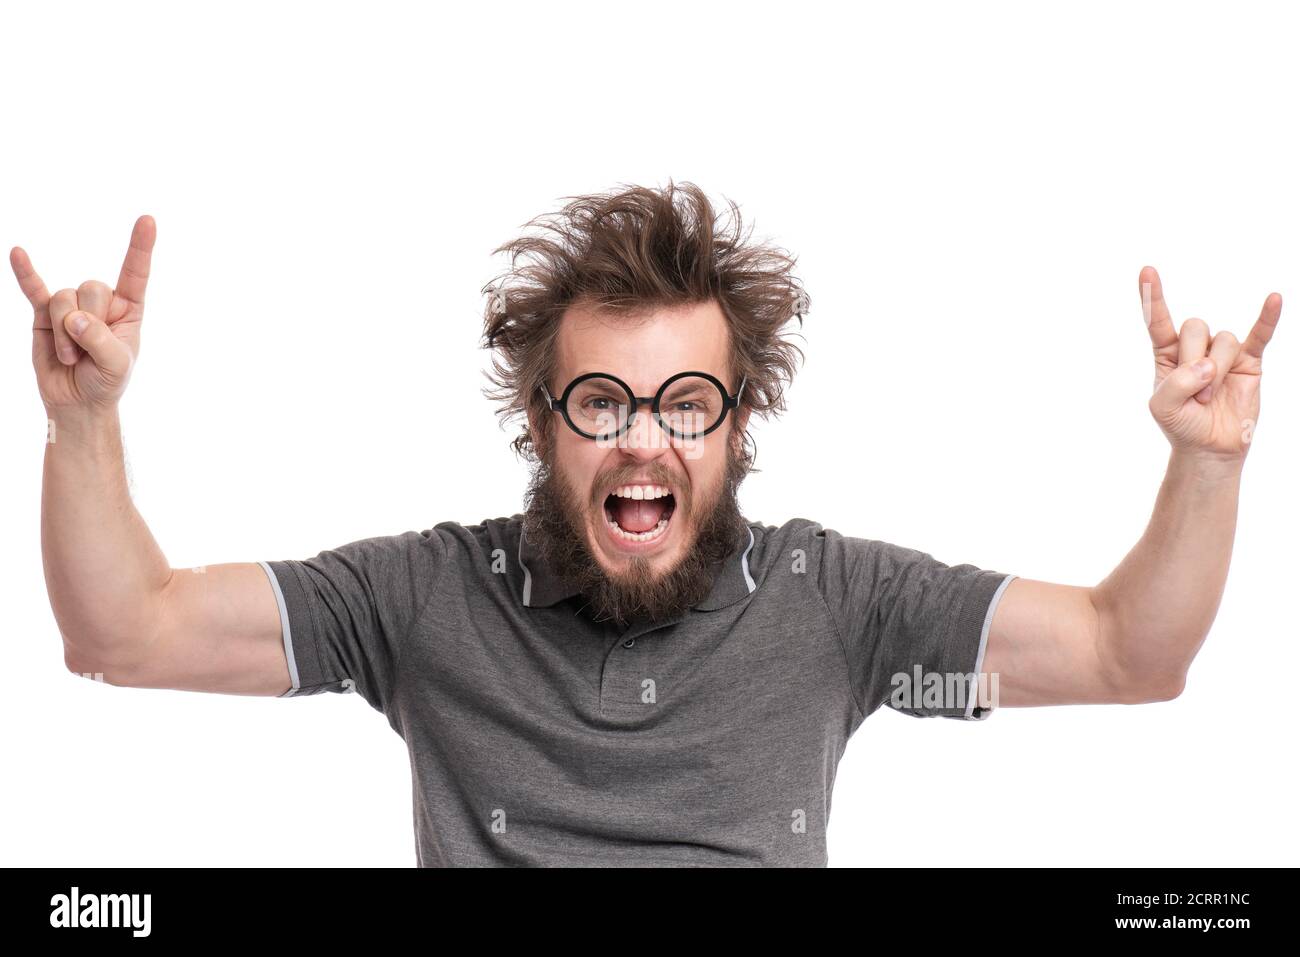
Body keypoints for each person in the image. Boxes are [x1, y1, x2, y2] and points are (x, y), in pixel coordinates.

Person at [13, 181, 1282, 866]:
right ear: (544, 421)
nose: (642, 439)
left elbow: (1132, 658)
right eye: (604, 401)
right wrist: (84, 425)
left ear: (737, 425)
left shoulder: (843, 610)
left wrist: (1206, 467)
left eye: (686, 403)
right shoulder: (422, 602)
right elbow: (125, 633)